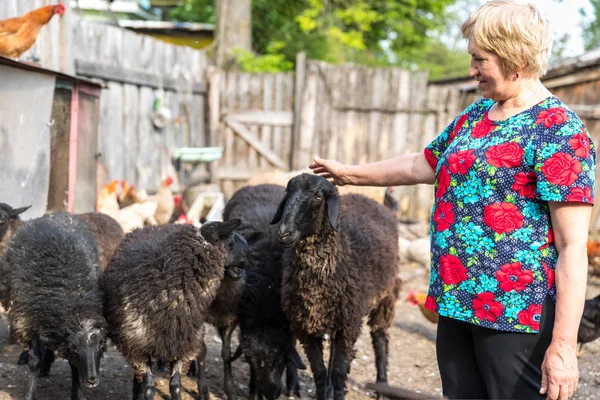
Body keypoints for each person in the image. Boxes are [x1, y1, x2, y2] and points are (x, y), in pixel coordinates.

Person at [309, 1, 596, 399]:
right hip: (456, 299)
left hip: (514, 313)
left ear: (516, 57)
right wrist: (349, 173)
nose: (472, 70)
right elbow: (420, 164)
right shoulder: (476, 116)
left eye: (481, 59)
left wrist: (563, 348)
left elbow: (572, 248)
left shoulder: (559, 130)